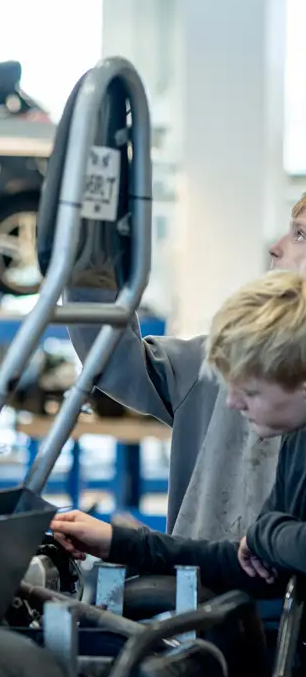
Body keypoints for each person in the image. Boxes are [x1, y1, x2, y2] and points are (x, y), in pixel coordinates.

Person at [65, 195, 306, 542]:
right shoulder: (222, 363)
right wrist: (91, 252)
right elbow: (114, 360)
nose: (276, 247)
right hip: (201, 576)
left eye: (300, 235)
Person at [51, 269, 306, 595]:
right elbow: (249, 564)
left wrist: (264, 534)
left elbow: (274, 548)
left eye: (251, 391)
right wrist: (119, 542)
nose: (232, 402)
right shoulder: (295, 440)